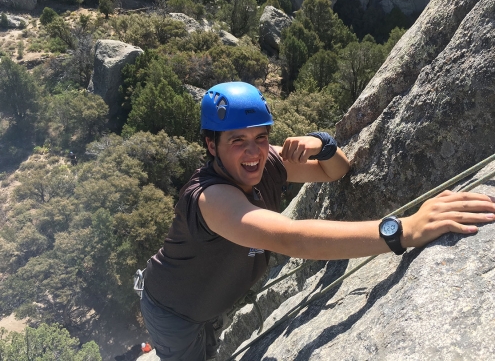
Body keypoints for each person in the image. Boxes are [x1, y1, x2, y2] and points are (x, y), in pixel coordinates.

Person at [140, 82, 495, 361]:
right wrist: (402, 230)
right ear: (211, 145)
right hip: (174, 313)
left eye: (261, 137)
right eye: (238, 141)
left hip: (207, 302)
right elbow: (290, 238)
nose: (254, 152)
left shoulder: (265, 163)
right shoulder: (209, 198)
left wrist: (320, 142)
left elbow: (336, 170)